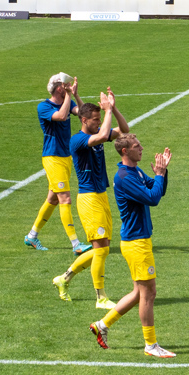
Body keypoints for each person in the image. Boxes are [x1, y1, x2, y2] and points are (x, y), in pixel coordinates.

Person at [88, 134, 175, 359]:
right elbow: (152, 199)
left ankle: (102, 325)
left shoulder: (134, 172)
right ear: (125, 151)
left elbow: (159, 191)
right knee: (149, 293)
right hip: (136, 243)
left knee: (139, 293)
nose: (142, 149)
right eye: (137, 147)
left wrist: (162, 172)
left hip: (139, 240)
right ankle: (150, 345)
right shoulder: (125, 177)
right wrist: (159, 174)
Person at [53, 89, 129, 309]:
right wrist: (106, 112)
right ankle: (101, 298)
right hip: (88, 199)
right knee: (102, 250)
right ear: (84, 120)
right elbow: (104, 135)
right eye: (95, 120)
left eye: (99, 119)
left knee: (100, 249)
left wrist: (112, 109)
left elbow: (124, 130)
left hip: (101, 196)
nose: (98, 123)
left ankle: (64, 279)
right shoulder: (77, 140)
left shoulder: (95, 135)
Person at [25, 73, 90, 253]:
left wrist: (75, 95)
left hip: (65, 157)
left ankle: (31, 236)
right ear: (59, 88)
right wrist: (69, 96)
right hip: (52, 157)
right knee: (65, 198)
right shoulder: (44, 106)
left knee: (52, 198)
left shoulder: (68, 102)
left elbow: (85, 116)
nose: (69, 86)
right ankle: (76, 244)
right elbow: (61, 116)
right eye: (66, 84)